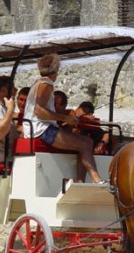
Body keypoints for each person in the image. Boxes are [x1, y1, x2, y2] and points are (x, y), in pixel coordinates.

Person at [22, 53, 104, 184]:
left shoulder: (38, 83)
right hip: (41, 130)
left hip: (39, 129)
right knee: (85, 144)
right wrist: (65, 118)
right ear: (56, 69)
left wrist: (65, 117)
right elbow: (39, 111)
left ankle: (82, 181)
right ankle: (96, 180)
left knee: (85, 142)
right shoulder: (46, 83)